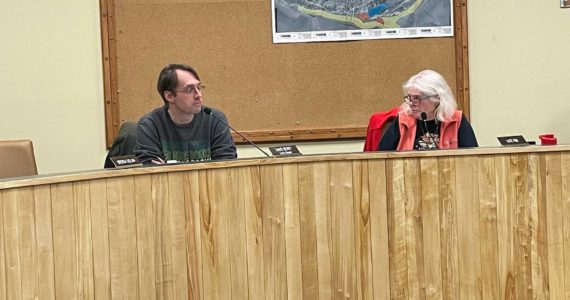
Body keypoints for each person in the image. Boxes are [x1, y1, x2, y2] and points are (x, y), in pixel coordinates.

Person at [134, 64, 237, 164]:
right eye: (190, 89)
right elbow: (151, 170)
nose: (198, 95)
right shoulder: (150, 125)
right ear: (170, 96)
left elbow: (226, 165)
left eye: (199, 87)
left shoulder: (214, 119)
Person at [378, 70, 478, 151]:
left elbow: (473, 158)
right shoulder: (403, 120)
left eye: (417, 98)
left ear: (436, 98)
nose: (411, 103)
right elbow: (381, 157)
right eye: (410, 97)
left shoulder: (456, 120)